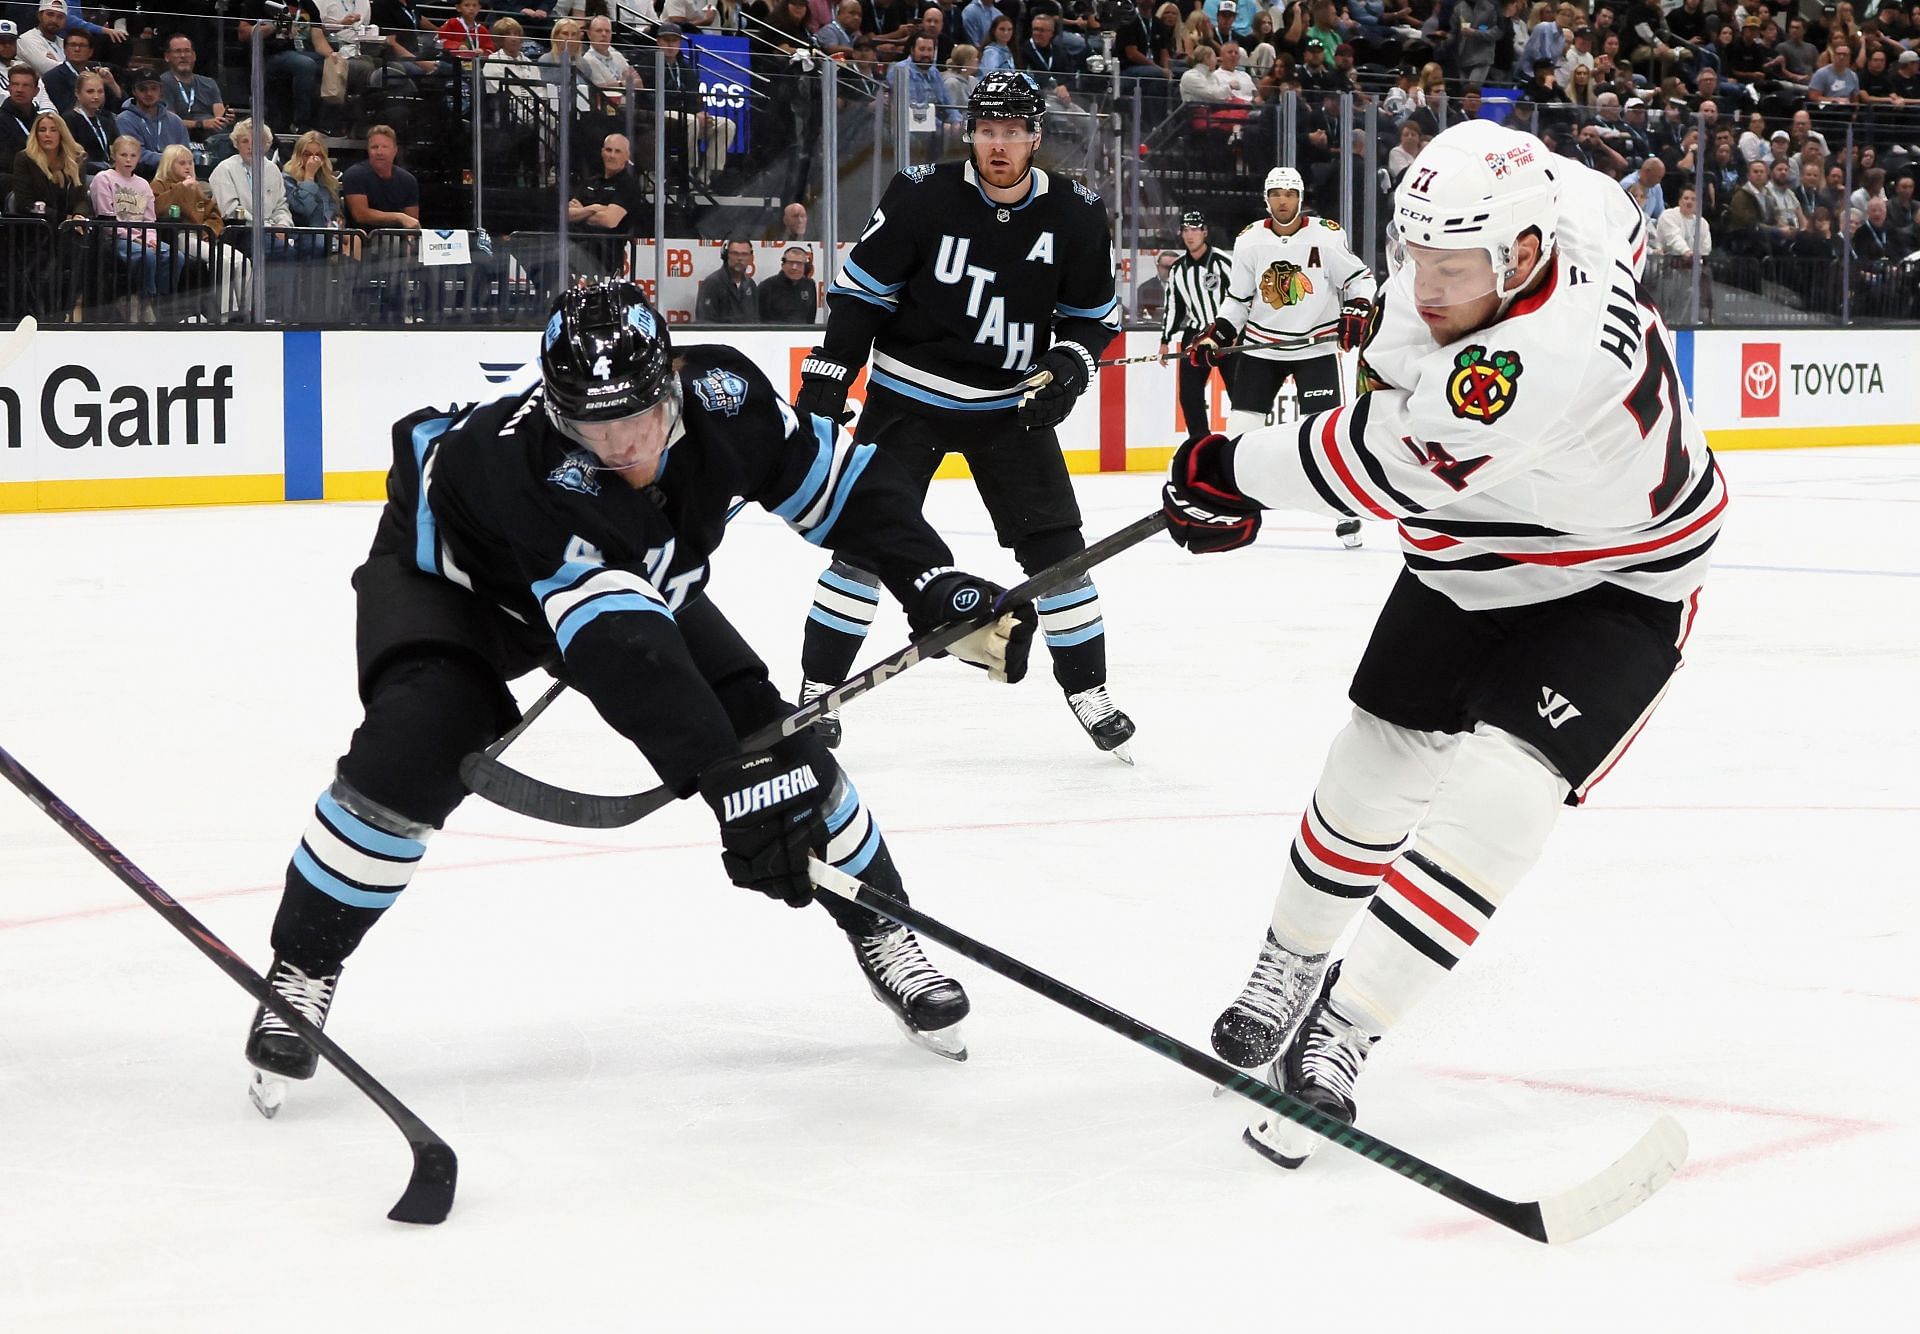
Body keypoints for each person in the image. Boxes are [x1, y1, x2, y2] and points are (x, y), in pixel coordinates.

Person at [241, 282, 1036, 1111]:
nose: (620, 445)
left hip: (630, 581)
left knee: (778, 742)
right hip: (457, 583)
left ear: (673, 385)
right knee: (410, 753)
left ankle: (883, 927)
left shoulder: (726, 398)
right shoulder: (529, 466)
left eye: (639, 419)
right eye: (593, 426)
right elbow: (624, 648)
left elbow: (843, 487)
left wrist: (930, 578)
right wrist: (723, 778)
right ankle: (304, 964)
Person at [1162, 119, 1723, 1170]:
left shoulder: (1534, 359)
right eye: (1416, 256)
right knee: (1372, 765)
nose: (1424, 286)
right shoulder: (1548, 212)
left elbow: (1378, 461)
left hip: (1622, 582)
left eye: (1451, 269)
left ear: (1520, 255)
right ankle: (1288, 962)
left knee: (1501, 797)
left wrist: (1226, 468)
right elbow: (1596, 204)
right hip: (1475, 557)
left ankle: (1348, 1021)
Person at [791, 72, 1135, 759]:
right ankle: (816, 691)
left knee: (1061, 557)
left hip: (1009, 409)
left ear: (1036, 137)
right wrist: (835, 363)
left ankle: (1089, 690)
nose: (998, 145)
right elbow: (864, 293)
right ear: (969, 134)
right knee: (862, 547)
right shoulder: (921, 194)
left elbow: (1093, 319)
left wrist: (1069, 364)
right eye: (987, 131)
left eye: (1012, 132)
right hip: (907, 397)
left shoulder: (1076, 213)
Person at [1188, 165, 1376, 549]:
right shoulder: (1250, 241)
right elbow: (1238, 300)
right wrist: (1217, 333)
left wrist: (1357, 307)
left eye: (1289, 194)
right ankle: (1233, 503)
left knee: (1323, 432)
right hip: (1263, 346)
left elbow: (1361, 279)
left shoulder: (1325, 236)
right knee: (1242, 430)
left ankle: (1343, 510)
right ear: (1266, 198)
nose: (1282, 201)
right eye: (1276, 194)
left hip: (1315, 347)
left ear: (1300, 198)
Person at [1158, 209, 1234, 447]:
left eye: (1195, 230)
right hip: (1196, 336)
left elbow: (1242, 297)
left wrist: (1238, 332)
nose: (1190, 235)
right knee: (1189, 395)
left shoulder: (1222, 262)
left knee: (1239, 393)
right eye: (1186, 230)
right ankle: (1200, 444)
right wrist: (1165, 339)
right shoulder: (1178, 269)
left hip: (1226, 335)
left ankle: (1246, 441)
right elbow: (1174, 305)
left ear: (1205, 232)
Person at [91, 134, 174, 319]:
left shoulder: (143, 184)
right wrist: (135, 238)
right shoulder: (103, 178)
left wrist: (150, 239)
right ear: (114, 155)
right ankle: (146, 300)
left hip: (142, 237)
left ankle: (156, 298)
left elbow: (149, 221)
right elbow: (106, 218)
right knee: (149, 256)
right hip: (115, 237)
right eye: (123, 155)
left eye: (133, 156)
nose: (128, 160)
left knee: (175, 256)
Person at [567, 131, 647, 272]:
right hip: (575, 246)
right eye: (608, 150)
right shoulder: (591, 182)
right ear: (602, 152)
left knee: (559, 255)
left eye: (617, 151)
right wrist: (595, 208)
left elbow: (610, 220)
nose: (611, 155)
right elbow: (568, 215)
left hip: (604, 257)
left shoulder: (628, 185)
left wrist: (581, 213)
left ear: (626, 156)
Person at [341, 124, 421, 230]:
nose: (379, 152)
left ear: (395, 151)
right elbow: (361, 215)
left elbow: (412, 222)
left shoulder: (408, 180)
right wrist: (399, 217)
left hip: (397, 239)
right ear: (368, 150)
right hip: (361, 237)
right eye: (374, 147)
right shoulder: (353, 175)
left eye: (385, 147)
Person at [116, 71, 192, 177]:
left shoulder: (175, 120)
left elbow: (185, 152)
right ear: (134, 91)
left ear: (161, 91)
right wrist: (170, 159)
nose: (149, 93)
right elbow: (136, 154)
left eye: (154, 88)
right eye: (143, 89)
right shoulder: (125, 119)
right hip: (141, 176)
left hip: (174, 175)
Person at [159, 33, 229, 145]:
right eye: (177, 51)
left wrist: (226, 118)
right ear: (167, 57)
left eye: (187, 51)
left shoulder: (209, 83)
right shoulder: (163, 82)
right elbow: (170, 121)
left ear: (194, 56)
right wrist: (202, 124)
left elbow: (219, 116)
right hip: (178, 138)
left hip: (210, 139)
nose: (183, 55)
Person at [62, 68, 115, 174]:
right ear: (77, 93)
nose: (96, 96)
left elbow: (115, 147)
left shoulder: (106, 119)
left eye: (100, 91)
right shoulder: (69, 119)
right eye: (90, 91)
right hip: (82, 174)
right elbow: (69, 156)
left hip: (107, 173)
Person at [695, 238, 761, 321]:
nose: (740, 258)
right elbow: (704, 322)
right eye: (735, 254)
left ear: (750, 258)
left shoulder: (751, 285)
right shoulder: (712, 284)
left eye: (744, 254)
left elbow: (755, 320)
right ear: (726, 256)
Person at [758, 245, 819, 323]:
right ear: (783, 265)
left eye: (799, 264)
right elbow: (760, 320)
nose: (794, 267)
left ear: (805, 267)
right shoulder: (766, 286)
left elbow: (810, 318)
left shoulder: (810, 285)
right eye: (791, 263)